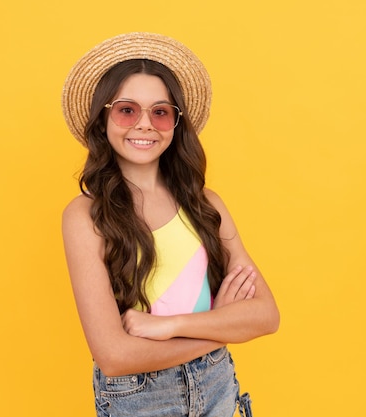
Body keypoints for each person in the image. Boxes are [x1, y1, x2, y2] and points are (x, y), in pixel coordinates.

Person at [60, 32, 280, 417]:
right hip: (140, 398)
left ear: (176, 124)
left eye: (160, 112)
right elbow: (114, 356)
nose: (145, 124)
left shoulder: (205, 204)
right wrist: (217, 328)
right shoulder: (85, 216)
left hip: (217, 387)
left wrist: (171, 325)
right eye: (127, 110)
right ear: (104, 118)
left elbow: (265, 316)